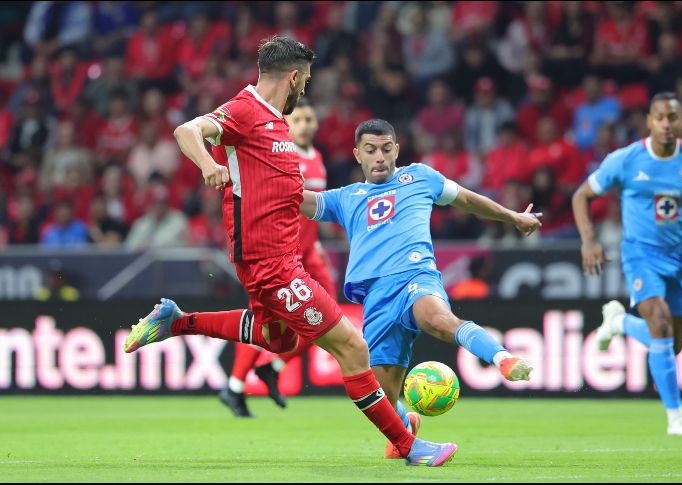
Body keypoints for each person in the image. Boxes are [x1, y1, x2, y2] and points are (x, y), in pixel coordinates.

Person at [122, 36, 457, 467]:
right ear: (295, 77)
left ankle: (176, 321)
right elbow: (186, 130)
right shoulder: (244, 111)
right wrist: (208, 164)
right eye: (307, 82)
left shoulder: (280, 124)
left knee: (276, 339)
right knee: (353, 349)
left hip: (280, 258)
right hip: (270, 264)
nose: (306, 91)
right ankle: (409, 448)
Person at [298, 119, 542, 459]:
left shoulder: (420, 178)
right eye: (370, 150)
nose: (379, 157)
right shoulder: (346, 197)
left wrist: (513, 217)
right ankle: (405, 425)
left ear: (396, 149)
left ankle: (502, 358)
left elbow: (468, 201)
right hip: (375, 299)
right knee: (375, 399)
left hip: (415, 276)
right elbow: (298, 199)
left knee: (438, 320)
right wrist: (250, 185)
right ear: (357, 155)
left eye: (386, 149)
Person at [571, 92, 682, 436]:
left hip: (680, 258)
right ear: (649, 121)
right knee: (659, 321)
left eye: (673, 118)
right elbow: (582, 195)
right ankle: (676, 417)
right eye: (659, 118)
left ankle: (620, 322)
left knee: (673, 342)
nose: (666, 125)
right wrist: (589, 241)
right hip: (640, 255)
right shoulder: (626, 160)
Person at [218, 99, 336, 417]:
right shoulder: (282, 154)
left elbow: (310, 208)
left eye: (310, 118)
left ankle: (269, 369)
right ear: (287, 124)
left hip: (309, 251)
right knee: (270, 319)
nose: (305, 124)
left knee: (327, 318)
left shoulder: (319, 158)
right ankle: (236, 385)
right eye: (298, 119)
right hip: (281, 252)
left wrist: (318, 244)